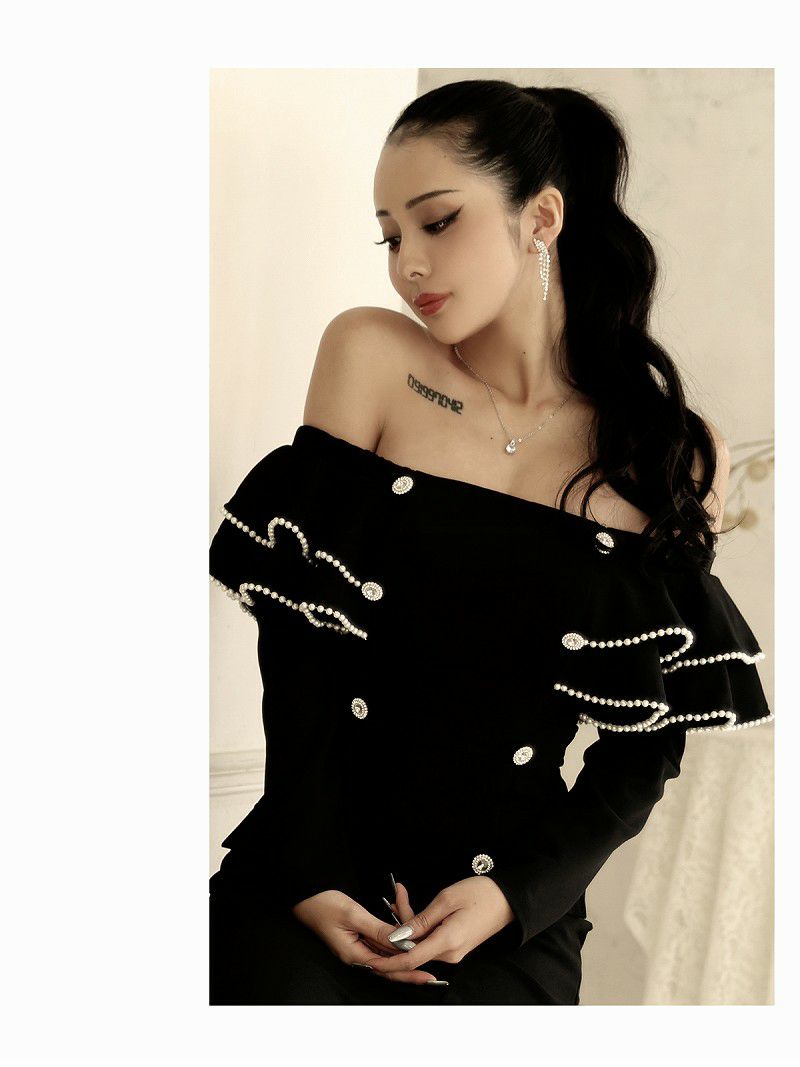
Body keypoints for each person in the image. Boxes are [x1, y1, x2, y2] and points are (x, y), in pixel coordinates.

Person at [208, 80, 773, 1005]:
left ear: (540, 218)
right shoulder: (371, 357)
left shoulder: (665, 454)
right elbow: (301, 647)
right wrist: (310, 872)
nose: (408, 264)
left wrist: (513, 896)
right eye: (390, 236)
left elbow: (643, 749)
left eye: (437, 222)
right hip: (309, 871)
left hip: (503, 904)